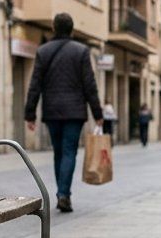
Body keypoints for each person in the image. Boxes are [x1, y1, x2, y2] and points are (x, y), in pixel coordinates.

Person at [25, 13, 103, 213]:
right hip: (75, 111)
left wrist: (30, 114)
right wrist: (97, 113)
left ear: (53, 28)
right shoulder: (81, 51)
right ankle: (63, 194)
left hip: (52, 110)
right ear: (72, 29)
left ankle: (62, 192)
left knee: (58, 152)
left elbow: (35, 84)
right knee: (69, 151)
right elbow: (89, 85)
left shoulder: (43, 51)